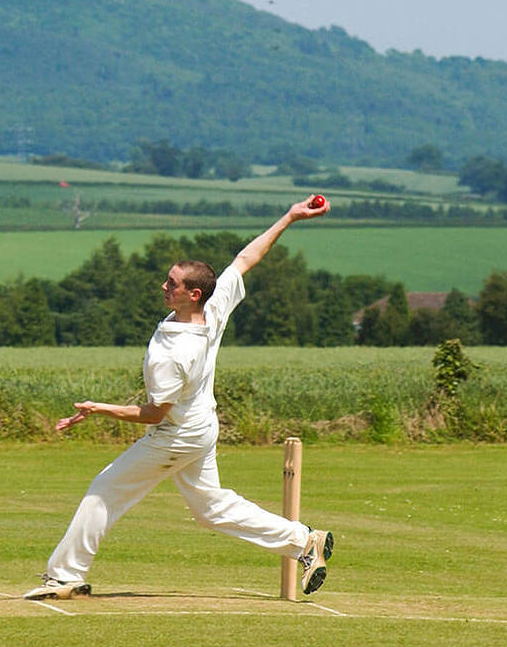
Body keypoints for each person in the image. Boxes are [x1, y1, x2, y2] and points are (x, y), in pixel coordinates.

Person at [24, 196, 334, 601]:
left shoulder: (173, 355)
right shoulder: (215, 303)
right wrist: (290, 217)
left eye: (172, 283)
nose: (164, 286)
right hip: (202, 425)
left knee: (105, 489)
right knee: (210, 510)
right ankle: (303, 540)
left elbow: (154, 414)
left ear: (194, 294)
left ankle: (65, 576)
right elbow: (245, 259)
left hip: (177, 435)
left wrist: (100, 409)